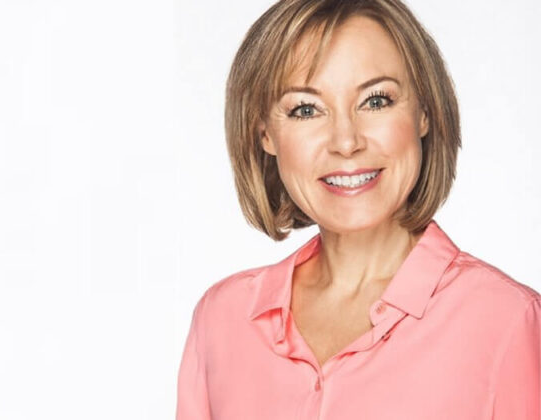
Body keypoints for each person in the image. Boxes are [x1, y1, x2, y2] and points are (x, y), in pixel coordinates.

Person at [175, 0, 541, 419]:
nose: (346, 142)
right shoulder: (222, 320)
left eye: (376, 101)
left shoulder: (506, 322)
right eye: (306, 109)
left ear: (424, 112)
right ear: (265, 134)